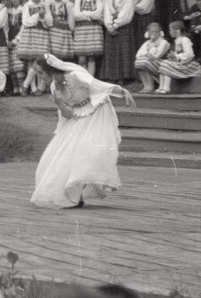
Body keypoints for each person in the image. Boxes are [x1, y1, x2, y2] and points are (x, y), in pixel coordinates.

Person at [30, 53, 135, 209]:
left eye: (40, 72)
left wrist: (122, 91)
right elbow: (67, 114)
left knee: (88, 149)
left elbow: (98, 85)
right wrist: (58, 102)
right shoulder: (54, 87)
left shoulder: (74, 75)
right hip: (78, 115)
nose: (39, 76)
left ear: (51, 70)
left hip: (97, 109)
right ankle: (74, 194)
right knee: (62, 153)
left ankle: (79, 188)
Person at [155, 20, 201, 94]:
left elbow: (189, 54)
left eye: (171, 29)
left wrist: (177, 57)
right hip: (181, 63)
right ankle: (161, 86)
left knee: (166, 64)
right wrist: (173, 57)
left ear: (177, 31)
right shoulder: (177, 41)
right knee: (164, 62)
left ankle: (166, 87)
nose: (169, 31)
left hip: (189, 65)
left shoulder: (184, 40)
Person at [134, 22, 170, 93]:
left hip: (162, 65)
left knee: (145, 62)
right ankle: (146, 85)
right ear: (148, 33)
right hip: (150, 61)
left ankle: (150, 86)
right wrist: (146, 54)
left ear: (160, 32)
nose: (153, 34)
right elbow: (138, 54)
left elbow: (157, 56)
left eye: (156, 32)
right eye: (151, 32)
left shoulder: (164, 42)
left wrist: (147, 54)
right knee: (138, 63)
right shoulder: (147, 43)